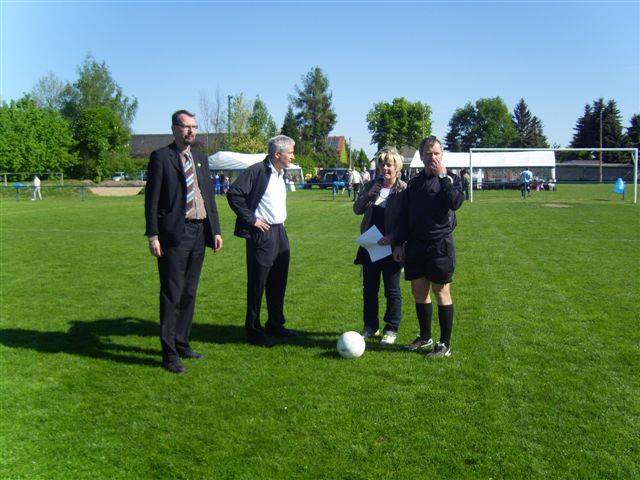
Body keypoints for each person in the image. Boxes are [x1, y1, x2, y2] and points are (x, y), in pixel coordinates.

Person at [144, 109, 223, 374]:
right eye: (186, 126)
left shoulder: (200, 158)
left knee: (189, 292)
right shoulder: (161, 157)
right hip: (173, 235)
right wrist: (153, 235)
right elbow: (151, 200)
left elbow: (208, 198)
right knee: (172, 293)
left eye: (195, 126)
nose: (191, 131)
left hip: (199, 233)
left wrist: (216, 231)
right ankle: (168, 354)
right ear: (175, 128)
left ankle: (182, 343)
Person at [393, 136, 464, 358]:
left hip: (439, 245)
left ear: (442, 155)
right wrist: (398, 243)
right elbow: (405, 217)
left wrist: (442, 176)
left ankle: (445, 344)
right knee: (418, 292)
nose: (432, 157)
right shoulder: (414, 183)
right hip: (415, 245)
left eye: (436, 153)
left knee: (441, 292)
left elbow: (455, 203)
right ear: (421, 156)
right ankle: (425, 337)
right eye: (428, 154)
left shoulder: (450, 179)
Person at [227, 135, 298, 347]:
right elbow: (234, 193)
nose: (293, 155)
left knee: (278, 282)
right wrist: (252, 220)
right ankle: (253, 330)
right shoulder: (257, 170)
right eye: (291, 152)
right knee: (258, 283)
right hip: (263, 233)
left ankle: (275, 324)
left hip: (279, 232)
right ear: (278, 154)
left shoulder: (280, 173)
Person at [353, 147, 407, 345]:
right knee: (369, 288)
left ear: (397, 167)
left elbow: (406, 221)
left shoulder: (403, 190)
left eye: (389, 164)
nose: (385, 168)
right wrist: (369, 196)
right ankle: (370, 326)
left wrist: (393, 238)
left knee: (392, 290)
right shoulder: (371, 186)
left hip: (392, 246)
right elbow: (357, 209)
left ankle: (391, 328)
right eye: (382, 164)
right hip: (370, 245)